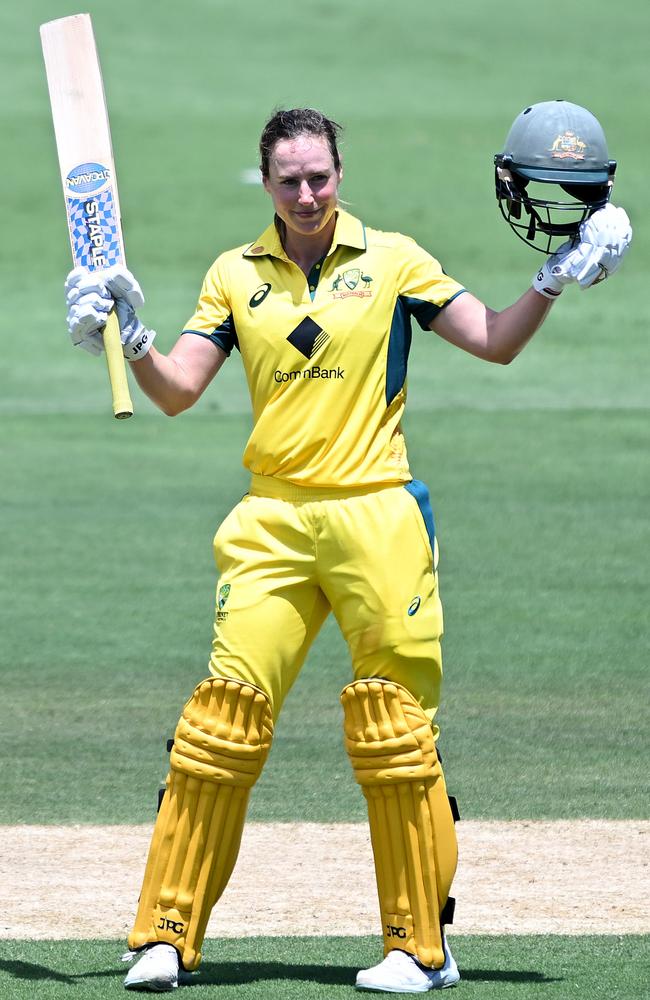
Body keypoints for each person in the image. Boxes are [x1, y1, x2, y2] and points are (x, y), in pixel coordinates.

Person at [65, 104, 631, 993]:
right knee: (220, 725)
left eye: (318, 177)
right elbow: (175, 392)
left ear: (339, 173)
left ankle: (420, 950)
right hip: (274, 523)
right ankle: (164, 936)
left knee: (393, 731)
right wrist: (130, 336)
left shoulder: (395, 261)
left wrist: (553, 280)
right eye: (287, 180)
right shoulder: (232, 275)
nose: (304, 194)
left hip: (378, 516)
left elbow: (492, 342)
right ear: (266, 181)